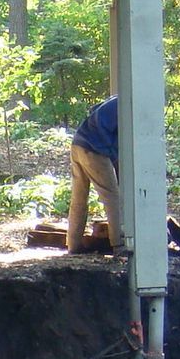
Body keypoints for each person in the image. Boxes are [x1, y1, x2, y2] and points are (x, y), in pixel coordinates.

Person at [67, 95, 123, 252]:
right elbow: (104, 128)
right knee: (112, 197)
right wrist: (111, 156)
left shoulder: (117, 99)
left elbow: (94, 110)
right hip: (94, 149)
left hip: (78, 144)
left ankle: (73, 245)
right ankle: (118, 244)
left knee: (79, 199)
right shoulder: (127, 105)